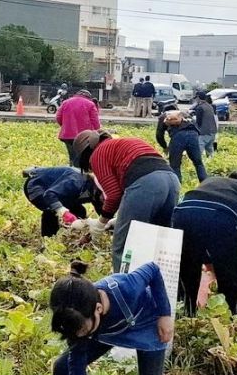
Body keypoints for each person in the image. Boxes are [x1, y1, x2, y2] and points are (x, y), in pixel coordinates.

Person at [50, 261, 172, 375]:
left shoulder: (127, 288)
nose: (78, 336)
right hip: (104, 329)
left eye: (82, 330)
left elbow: (152, 269)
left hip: (146, 321)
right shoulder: (75, 321)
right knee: (62, 367)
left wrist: (164, 314)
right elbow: (76, 369)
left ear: (98, 308)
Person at [72, 130, 179, 271]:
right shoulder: (123, 143)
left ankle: (124, 288)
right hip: (171, 180)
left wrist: (101, 223)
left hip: (146, 183)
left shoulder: (97, 154)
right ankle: (163, 288)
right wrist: (118, 218)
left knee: (124, 246)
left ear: (85, 153)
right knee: (160, 242)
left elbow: (114, 194)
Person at [170, 172, 237, 316]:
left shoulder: (212, 181)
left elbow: (201, 219)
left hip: (182, 212)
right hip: (222, 216)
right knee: (232, 286)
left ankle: (187, 316)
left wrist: (209, 260)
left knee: (187, 274)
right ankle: (235, 322)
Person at [22, 166, 102, 237]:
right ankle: (48, 240)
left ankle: (73, 235)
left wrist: (106, 224)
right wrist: (63, 212)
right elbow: (49, 195)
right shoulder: (75, 181)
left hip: (57, 191)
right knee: (52, 211)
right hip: (38, 185)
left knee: (79, 211)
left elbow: (102, 211)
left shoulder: (97, 193)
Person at [155, 109, 207, 185]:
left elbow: (159, 135)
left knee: (175, 165)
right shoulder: (184, 114)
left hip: (178, 136)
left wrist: (165, 147)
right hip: (193, 134)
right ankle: (205, 184)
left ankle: (177, 187)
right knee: (198, 163)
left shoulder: (163, 117)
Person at [56, 89, 101, 165]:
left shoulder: (66, 102)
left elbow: (58, 117)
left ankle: (72, 170)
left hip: (67, 135)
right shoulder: (90, 104)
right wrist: (97, 133)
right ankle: (79, 173)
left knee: (72, 156)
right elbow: (95, 122)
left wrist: (65, 127)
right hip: (84, 136)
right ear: (88, 96)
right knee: (81, 157)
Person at [191, 93, 218, 158]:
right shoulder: (209, 106)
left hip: (204, 132)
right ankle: (211, 163)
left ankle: (198, 164)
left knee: (199, 150)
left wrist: (192, 119)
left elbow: (198, 122)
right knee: (209, 149)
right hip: (213, 131)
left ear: (198, 98)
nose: (195, 100)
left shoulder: (200, 107)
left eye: (196, 98)